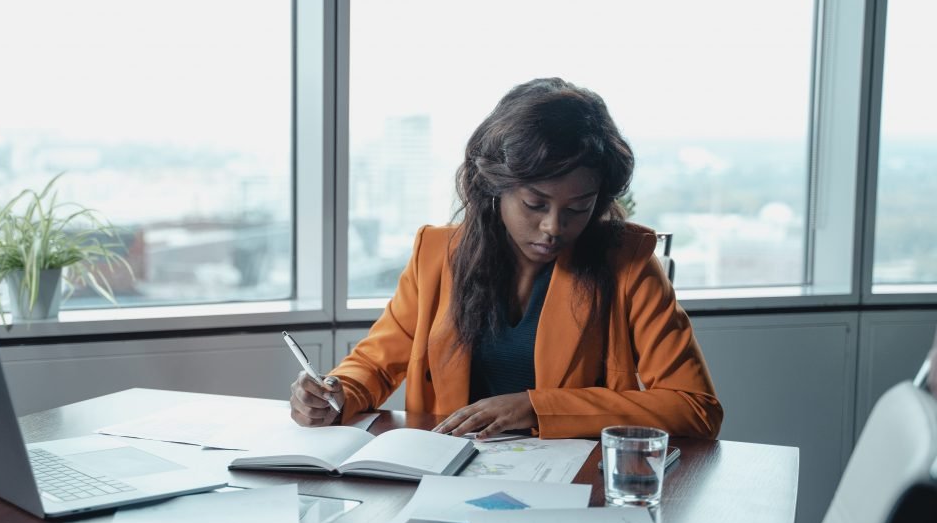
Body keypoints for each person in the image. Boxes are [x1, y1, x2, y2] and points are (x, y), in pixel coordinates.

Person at [289, 77, 723, 439]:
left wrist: (539, 408)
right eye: (535, 204)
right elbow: (376, 363)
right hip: (445, 472)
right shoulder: (437, 253)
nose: (554, 227)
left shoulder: (628, 263)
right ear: (494, 187)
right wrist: (337, 393)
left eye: (578, 208)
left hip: (573, 487)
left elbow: (695, 408)